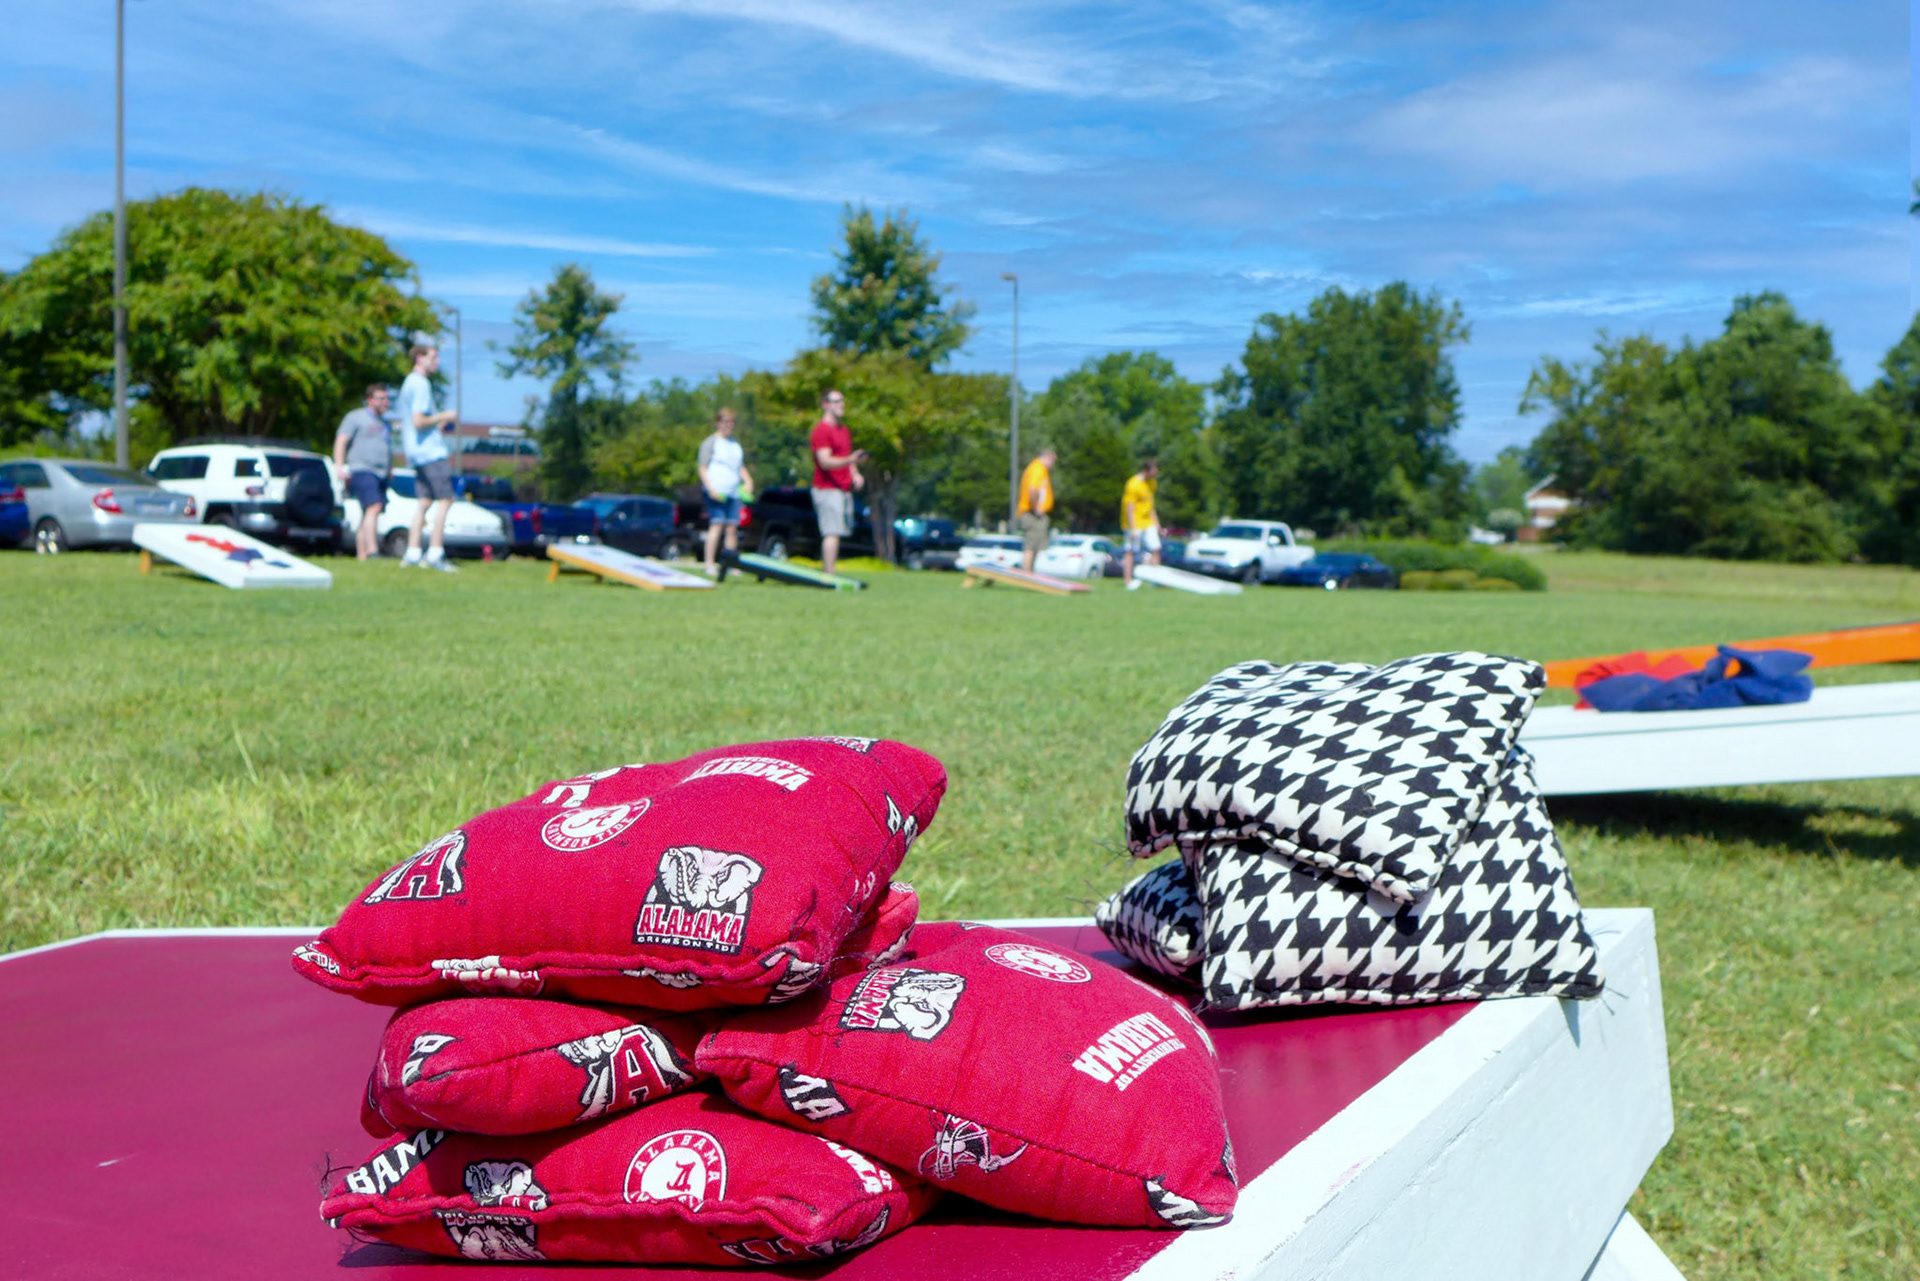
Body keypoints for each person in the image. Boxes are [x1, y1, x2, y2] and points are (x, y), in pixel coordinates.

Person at [397, 343, 459, 572]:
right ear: (419, 358)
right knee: (446, 499)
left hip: (415, 452)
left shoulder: (408, 383)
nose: (437, 362)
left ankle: (413, 553)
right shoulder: (421, 383)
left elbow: (421, 423)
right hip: (430, 452)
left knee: (424, 502)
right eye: (433, 357)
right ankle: (435, 553)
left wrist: (437, 423)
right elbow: (419, 421)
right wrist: (446, 415)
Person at [809, 388, 867, 576]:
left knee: (841, 531)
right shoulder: (821, 430)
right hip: (825, 489)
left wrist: (855, 473)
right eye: (836, 401)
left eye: (842, 400)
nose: (841, 404)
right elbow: (825, 462)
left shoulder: (843, 430)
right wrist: (851, 460)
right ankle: (829, 574)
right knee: (831, 532)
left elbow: (846, 458)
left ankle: (829, 570)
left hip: (842, 490)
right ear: (825, 404)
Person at [333, 384, 394, 561]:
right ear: (370, 399)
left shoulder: (385, 424)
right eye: (381, 398)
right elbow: (341, 440)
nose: (385, 402)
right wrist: (339, 466)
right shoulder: (355, 417)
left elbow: (386, 448)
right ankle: (373, 551)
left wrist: (390, 468)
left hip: (381, 472)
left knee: (368, 511)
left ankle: (362, 557)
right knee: (373, 507)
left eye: (387, 398)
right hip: (361, 469)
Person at [698, 408, 753, 575]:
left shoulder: (735, 444)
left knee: (732, 528)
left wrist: (748, 480)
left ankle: (731, 565)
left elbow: (739, 466)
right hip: (716, 491)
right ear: (718, 423)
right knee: (716, 525)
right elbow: (702, 467)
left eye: (731, 423)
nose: (728, 426)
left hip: (733, 492)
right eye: (725, 422)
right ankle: (709, 564)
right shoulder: (711, 442)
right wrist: (710, 488)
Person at [1120, 457, 1162, 589]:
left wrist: (1156, 523)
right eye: (1152, 472)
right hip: (1133, 522)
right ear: (1145, 470)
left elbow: (1150, 505)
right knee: (1130, 551)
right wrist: (1133, 529)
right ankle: (1128, 581)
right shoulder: (1133, 484)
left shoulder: (1152, 483)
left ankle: (1155, 580)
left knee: (1155, 548)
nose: (1154, 475)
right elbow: (1129, 507)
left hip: (1147, 521)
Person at [1016, 447, 1056, 573]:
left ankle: (1030, 573)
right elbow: (1032, 489)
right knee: (1031, 546)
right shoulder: (1037, 468)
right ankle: (1026, 574)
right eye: (1053, 460)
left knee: (1036, 546)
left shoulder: (1040, 469)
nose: (1053, 464)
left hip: (1035, 513)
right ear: (1047, 457)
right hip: (1032, 514)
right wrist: (1036, 508)